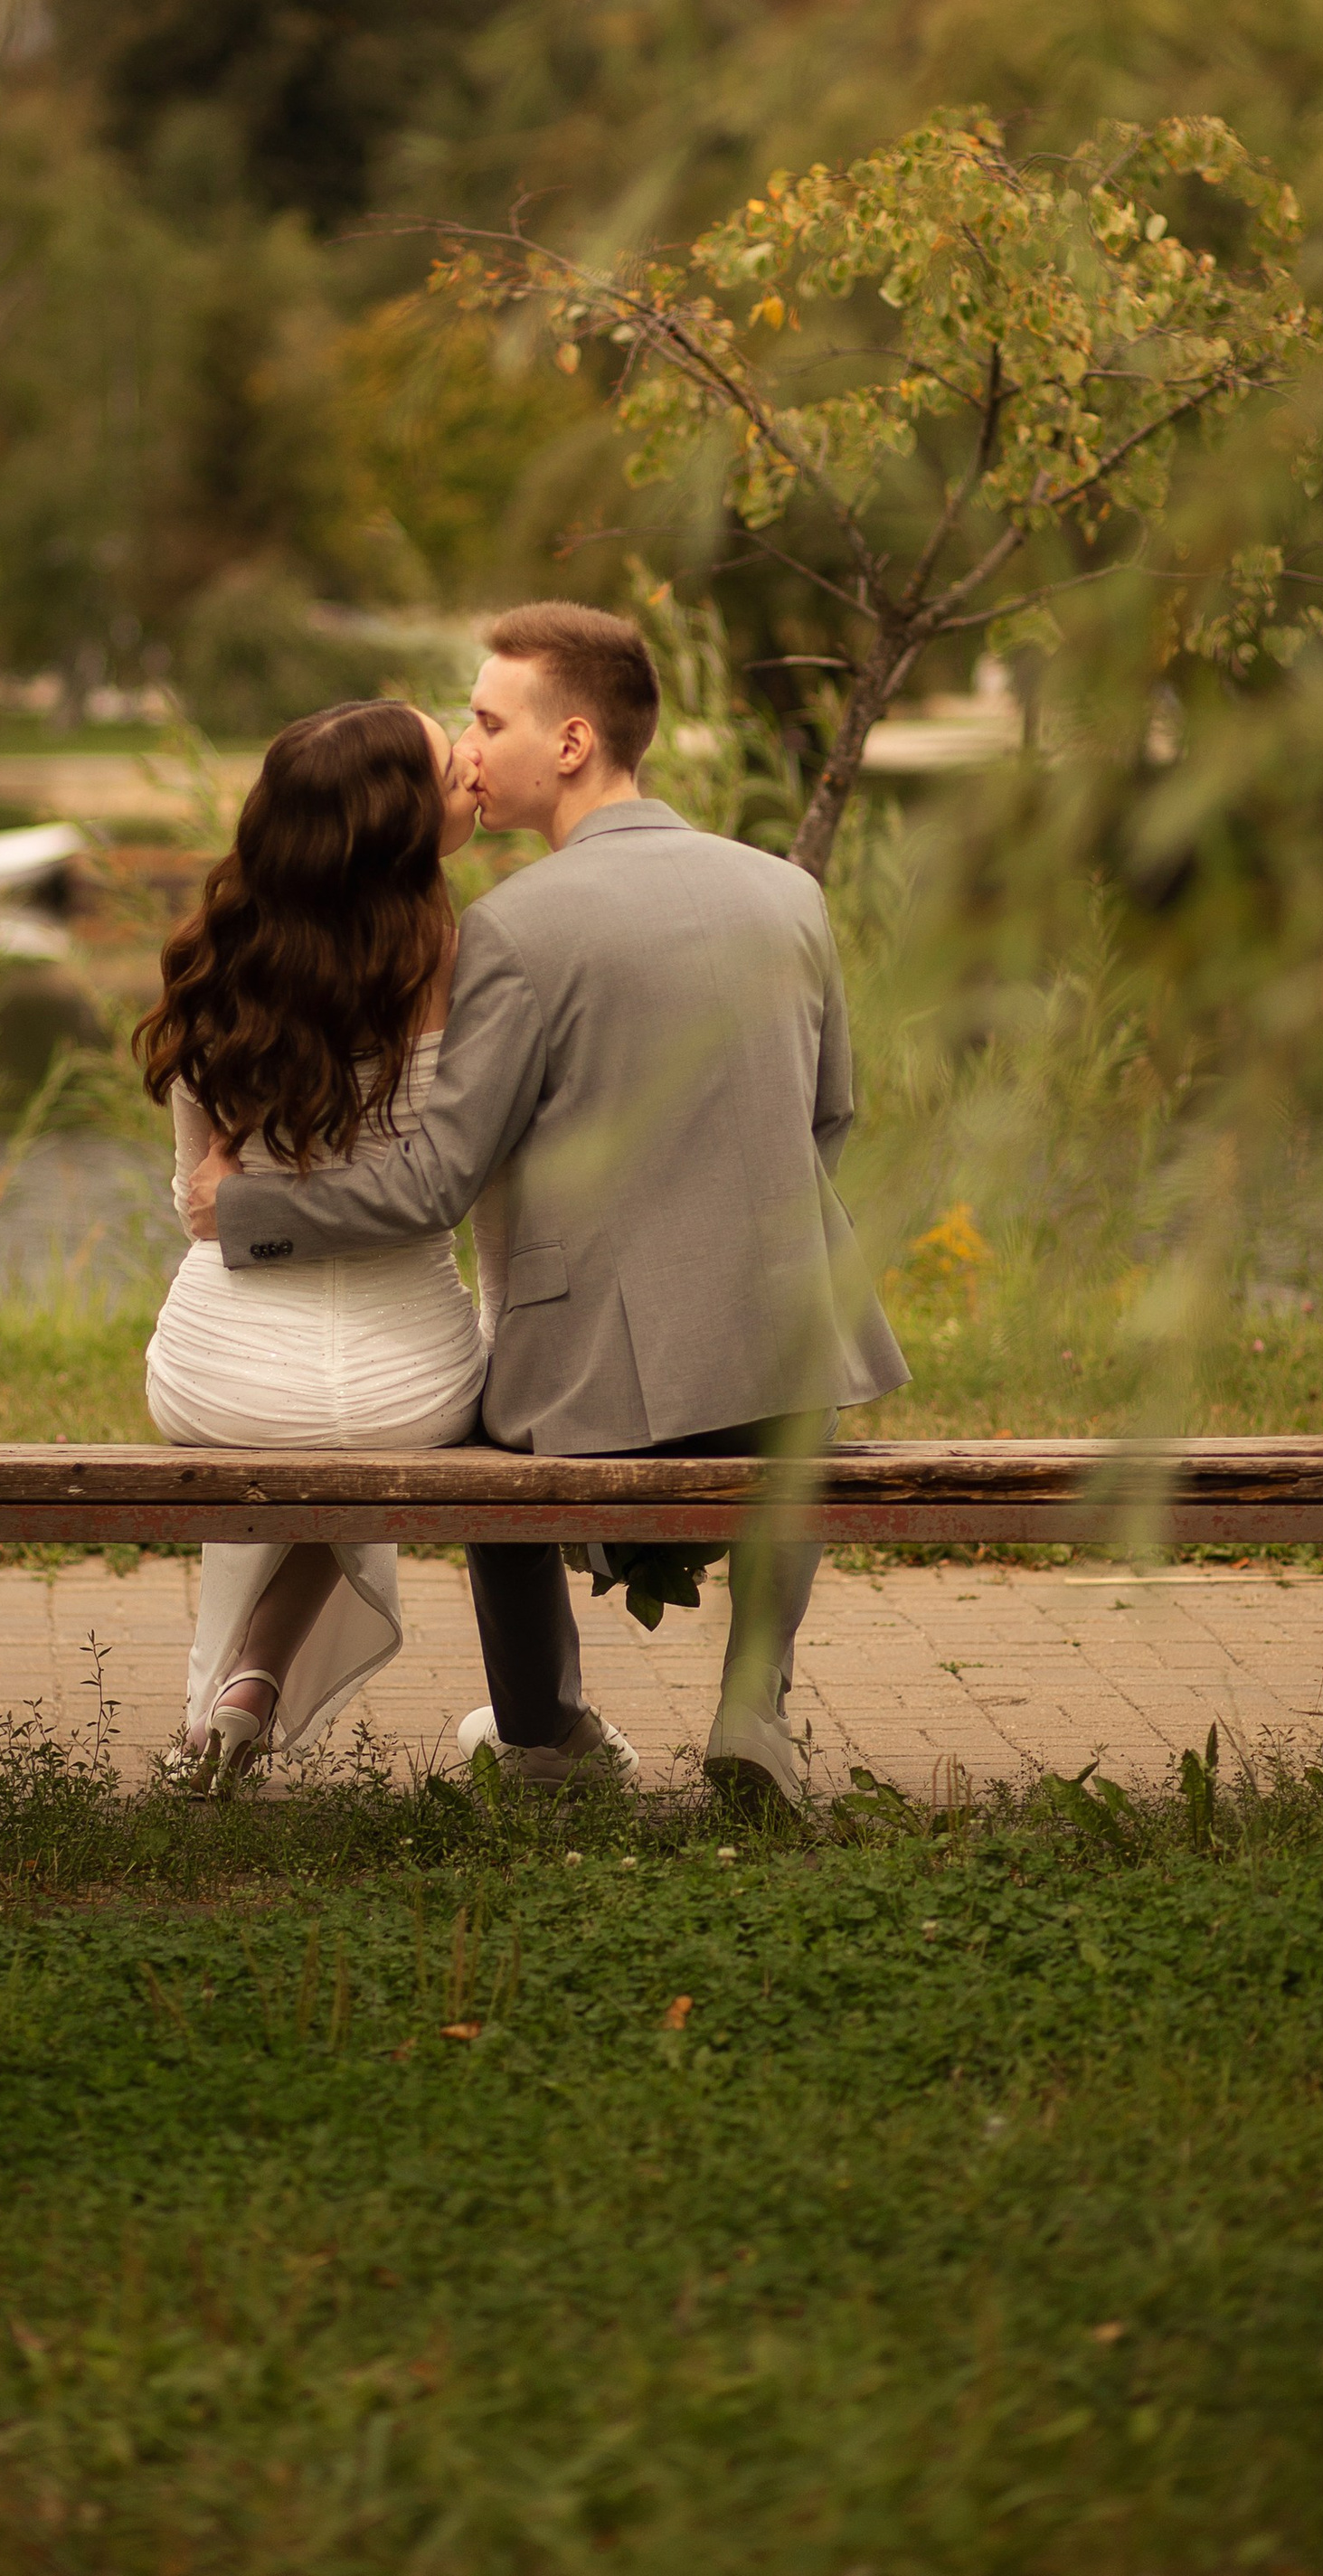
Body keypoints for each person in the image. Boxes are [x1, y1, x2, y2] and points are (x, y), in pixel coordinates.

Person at [188, 600, 909, 1811]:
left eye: (485, 718)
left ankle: (540, 1731)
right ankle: (752, 1708)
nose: (468, 750)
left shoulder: (511, 930)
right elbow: (833, 1119)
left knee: (479, 1428)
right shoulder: (791, 896)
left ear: (570, 744)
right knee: (801, 1428)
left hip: (589, 1385)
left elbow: (432, 1181)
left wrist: (245, 1209)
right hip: (792, 1354)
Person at [136, 698, 496, 1787]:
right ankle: (252, 1678)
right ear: (395, 822)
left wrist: (252, 1209)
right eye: (449, 762)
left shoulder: (209, 961)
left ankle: (240, 1691)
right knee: (359, 1426)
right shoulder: (465, 963)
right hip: (411, 1381)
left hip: (216, 1371)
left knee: (299, 1424)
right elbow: (449, 1187)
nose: (474, 766)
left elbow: (204, 1200)